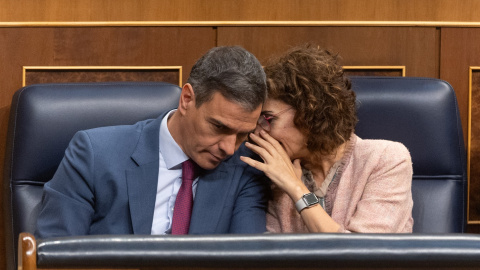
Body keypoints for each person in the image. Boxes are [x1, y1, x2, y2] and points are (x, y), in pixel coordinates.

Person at [35, 46, 269, 237]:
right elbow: (54, 256)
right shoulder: (94, 154)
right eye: (219, 127)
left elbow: (247, 260)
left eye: (242, 134)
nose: (229, 148)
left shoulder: (244, 169)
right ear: (187, 99)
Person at [240, 45, 414, 233]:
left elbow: (364, 255)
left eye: (268, 119)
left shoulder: (386, 159)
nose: (257, 133)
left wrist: (296, 189)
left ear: (308, 113)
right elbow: (271, 256)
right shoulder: (275, 174)